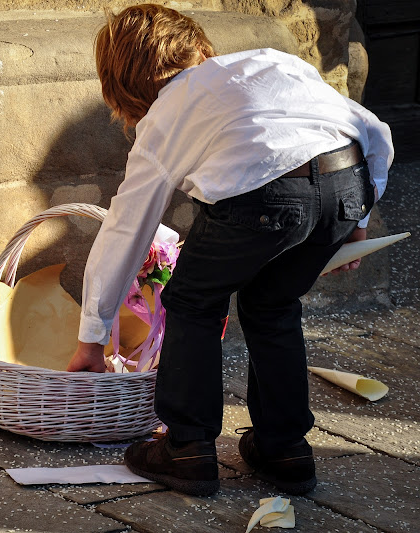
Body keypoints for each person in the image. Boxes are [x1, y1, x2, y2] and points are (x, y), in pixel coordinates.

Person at [66, 4, 393, 497]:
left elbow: (125, 230)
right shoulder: (272, 60)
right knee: (272, 305)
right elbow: (375, 133)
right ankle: (285, 450)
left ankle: (187, 449)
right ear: (198, 47)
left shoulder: (165, 115)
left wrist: (92, 336)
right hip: (348, 182)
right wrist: (359, 222)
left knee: (193, 302)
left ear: (124, 82)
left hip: (264, 200)